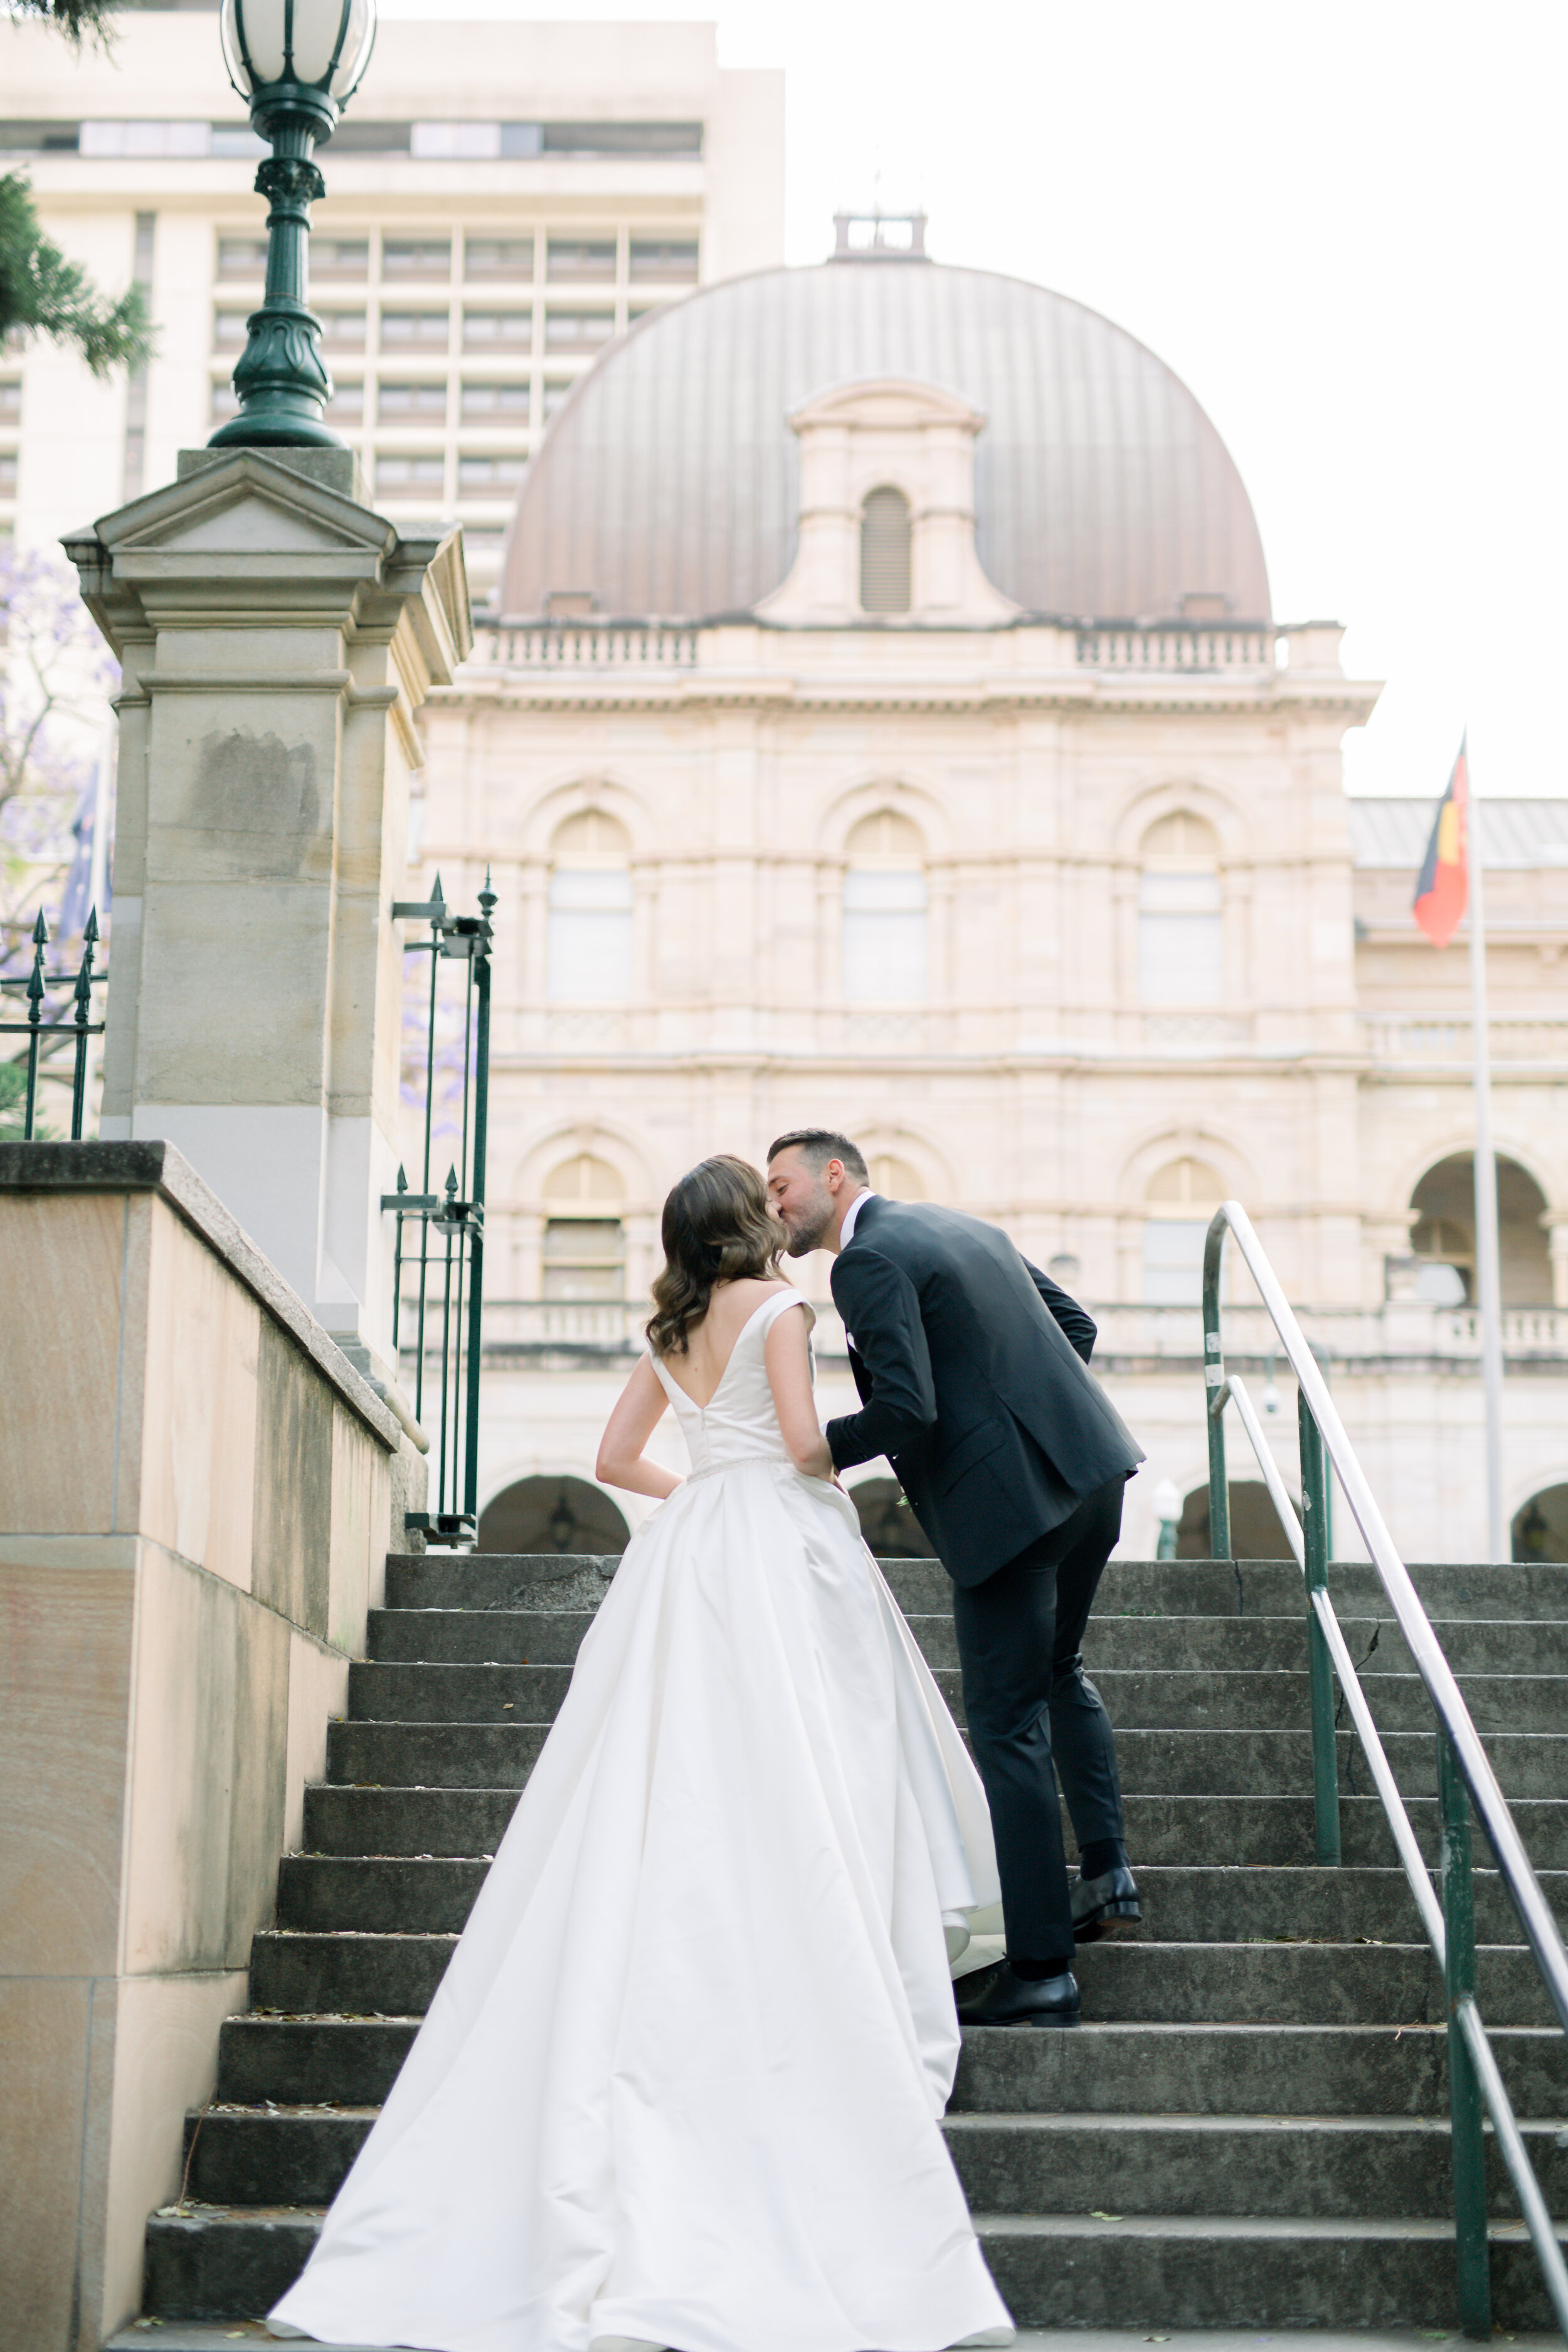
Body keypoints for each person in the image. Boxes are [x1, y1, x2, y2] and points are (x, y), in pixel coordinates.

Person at [268, 1154, 1013, 2352]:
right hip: (779, 1540)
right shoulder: (783, 1307)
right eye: (764, 1203)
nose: (782, 1212)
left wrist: (708, 1485)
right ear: (746, 1227)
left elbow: (618, 1462)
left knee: (662, 1768)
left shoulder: (668, 1327)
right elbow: (812, 1451)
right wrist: (783, 1463)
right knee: (816, 1751)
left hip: (695, 1544)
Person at [766, 1130, 1147, 2031]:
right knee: (1060, 1673)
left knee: (1006, 1723)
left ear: (834, 1174)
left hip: (1012, 1515)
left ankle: (1043, 1967)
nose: (774, 1203)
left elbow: (906, 1407)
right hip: (1092, 1473)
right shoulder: (961, 1225)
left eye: (781, 1184)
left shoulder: (864, 1263)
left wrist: (820, 1451)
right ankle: (1107, 1871)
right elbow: (1077, 1329)